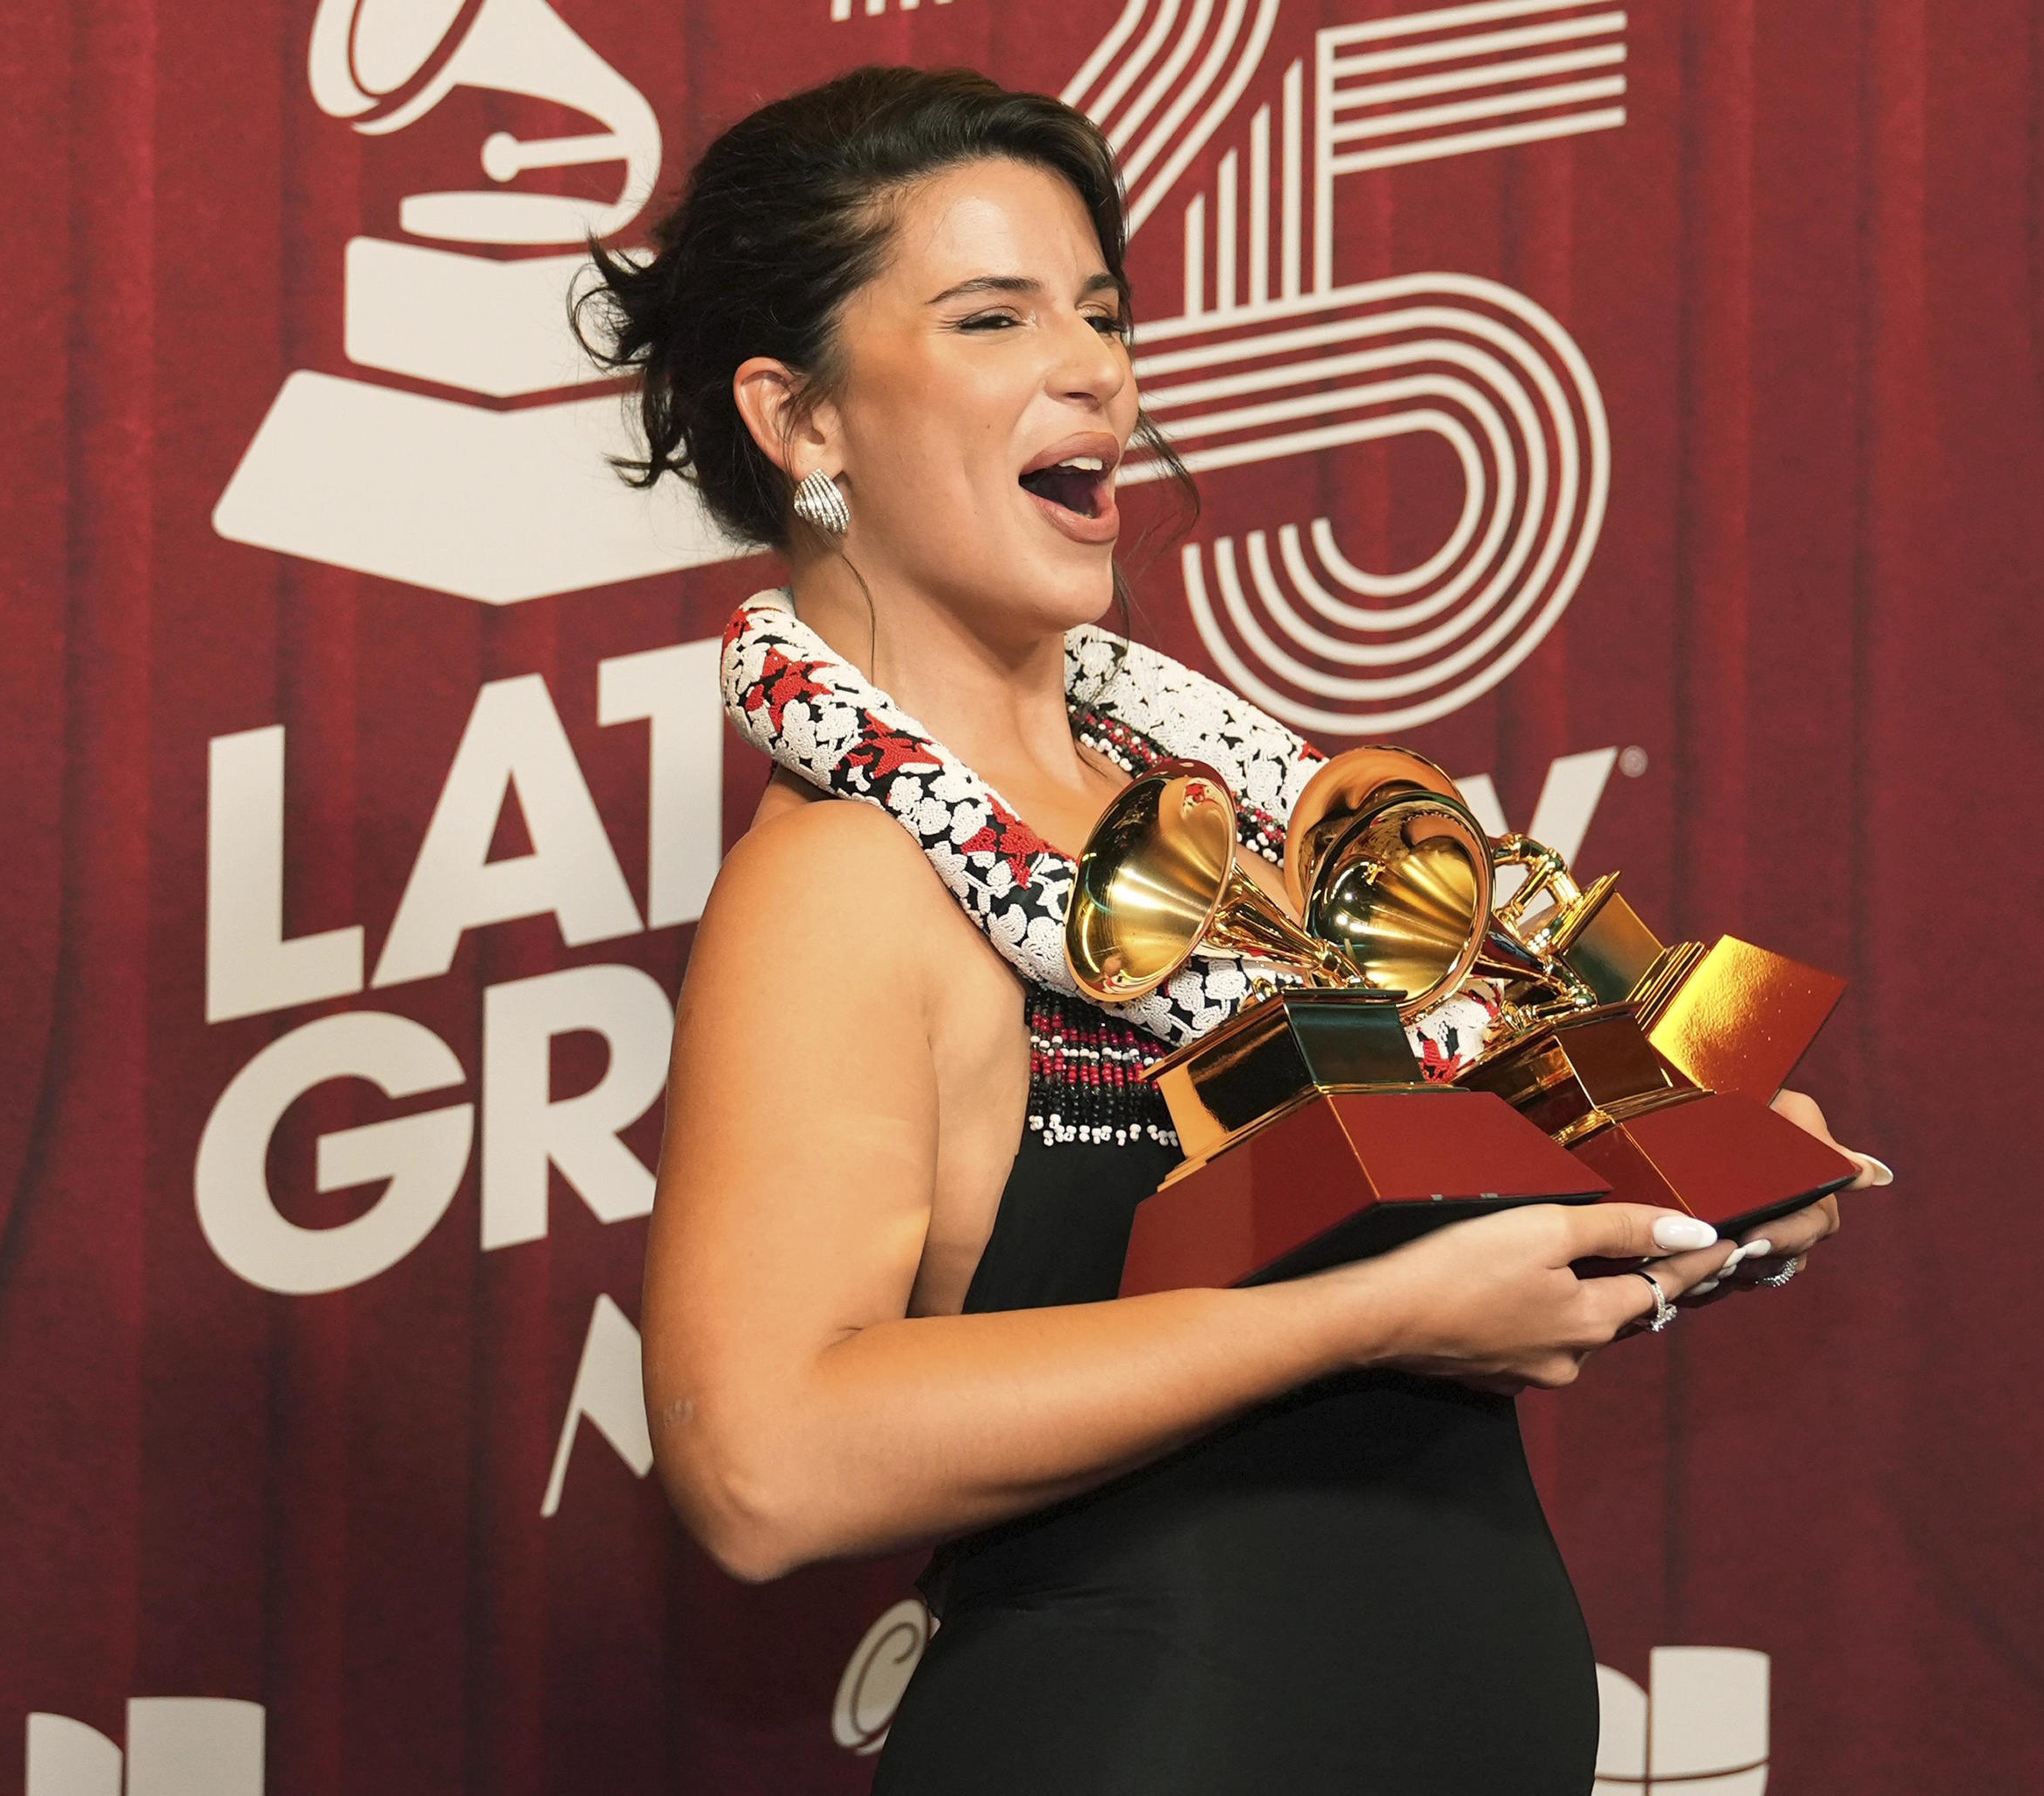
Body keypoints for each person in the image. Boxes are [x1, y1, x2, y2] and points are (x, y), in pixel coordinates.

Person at [584, 65, 1880, 1795]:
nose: (1096, 369)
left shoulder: (1268, 822)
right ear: (801, 421)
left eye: (1103, 314)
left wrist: (1687, 1192)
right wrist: (1377, 1318)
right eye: (992, 318)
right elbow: (763, 1466)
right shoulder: (847, 875)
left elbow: (1450, 1227)